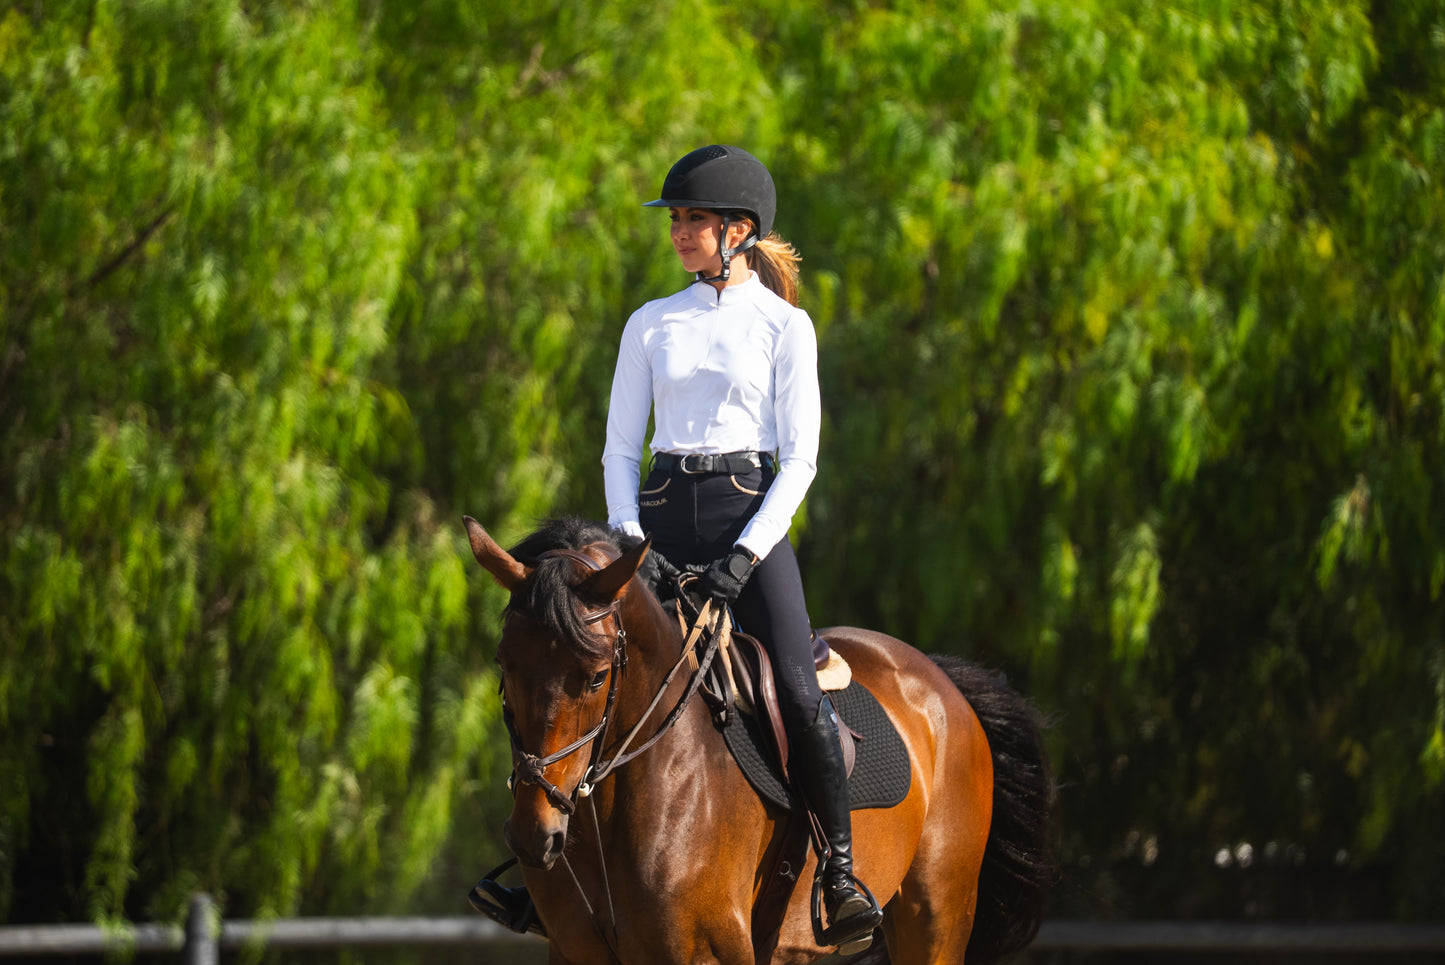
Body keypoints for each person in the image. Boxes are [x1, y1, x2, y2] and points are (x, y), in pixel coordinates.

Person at [471, 145, 883, 952]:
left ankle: (836, 870)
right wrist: (629, 540)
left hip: (747, 518)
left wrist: (747, 554)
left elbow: (799, 459)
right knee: (578, 670)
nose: (680, 232)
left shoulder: (783, 326)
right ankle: (547, 872)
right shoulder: (649, 323)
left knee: (797, 691)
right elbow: (621, 449)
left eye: (694, 219)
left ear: (738, 230)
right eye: (677, 220)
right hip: (654, 522)